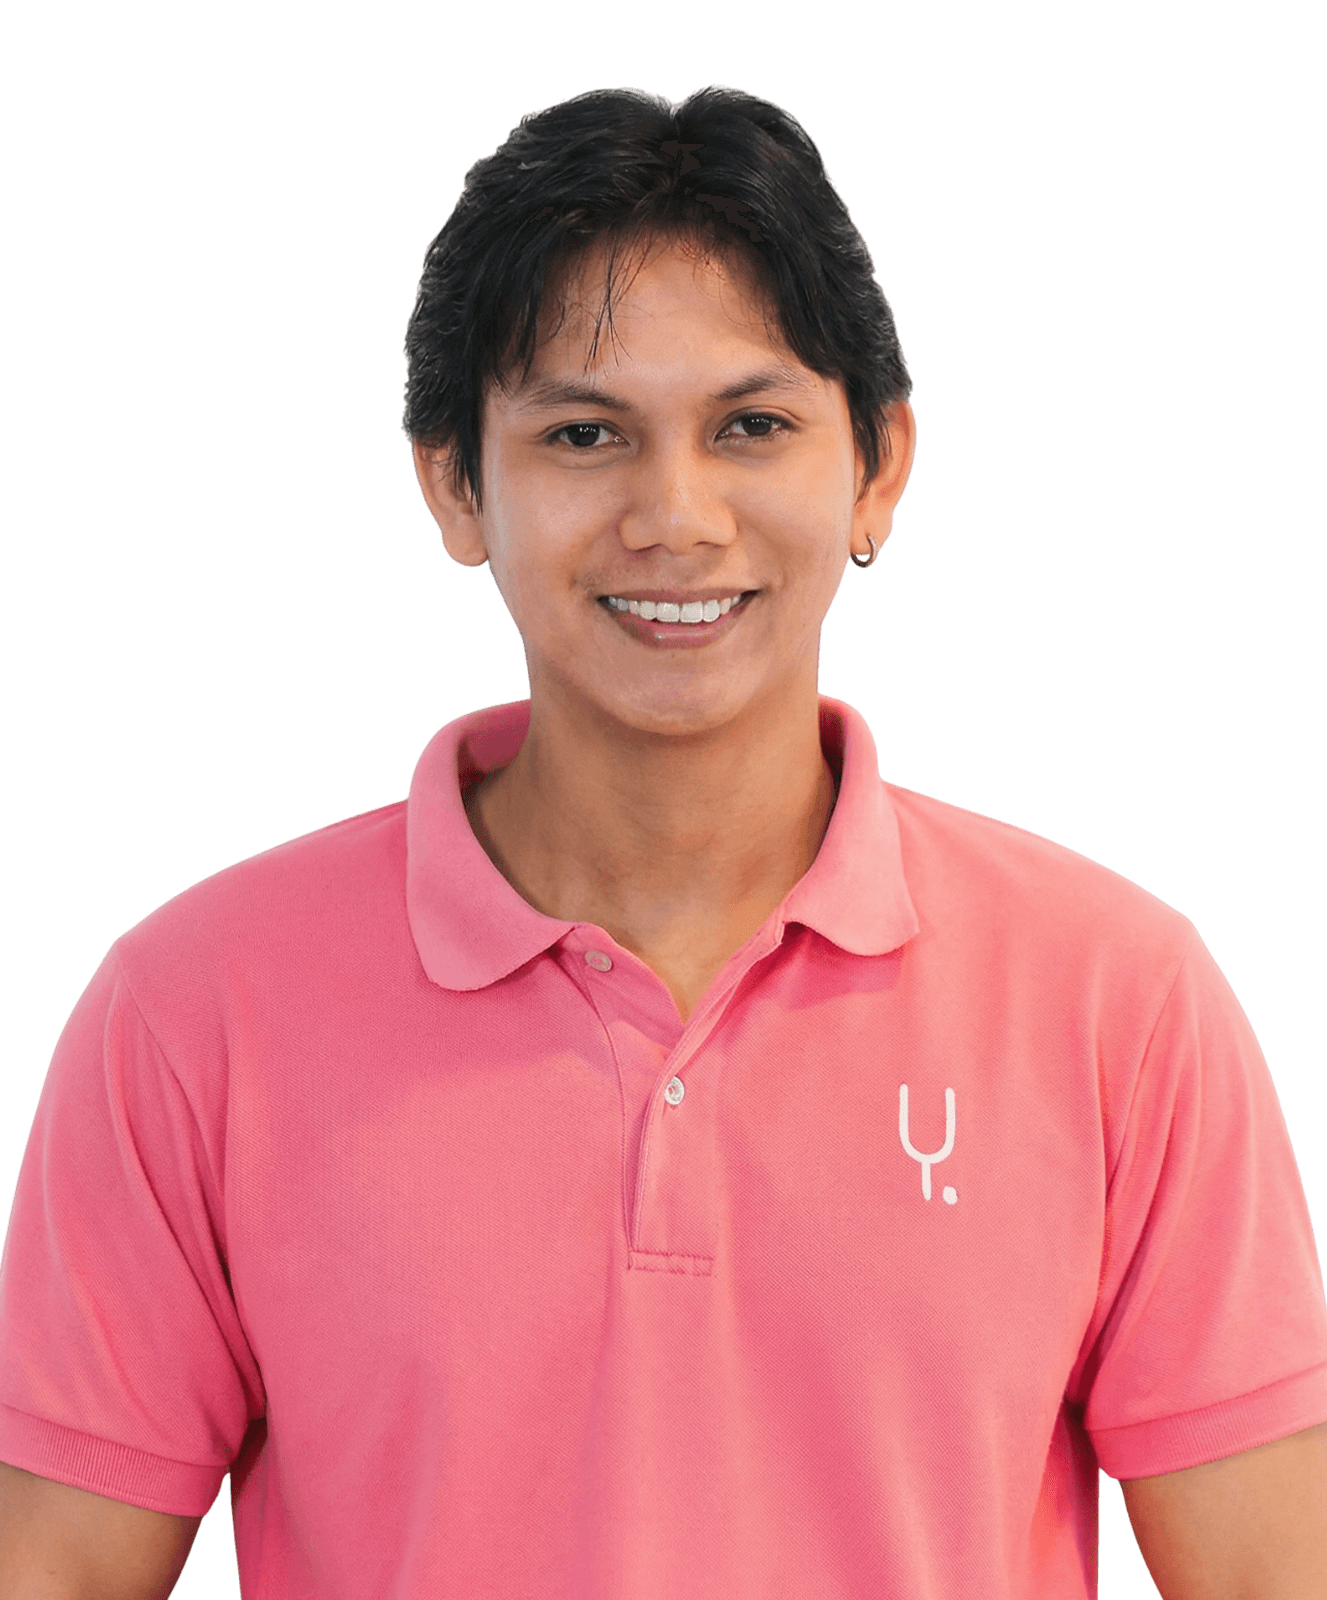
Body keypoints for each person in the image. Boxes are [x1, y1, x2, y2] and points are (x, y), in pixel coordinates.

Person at [1, 83, 1324, 1600]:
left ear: (877, 470)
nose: (673, 516)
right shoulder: (188, 1012)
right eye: (583, 433)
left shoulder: (1120, 1000)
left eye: (751, 426)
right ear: (452, 482)